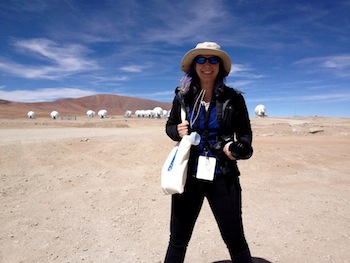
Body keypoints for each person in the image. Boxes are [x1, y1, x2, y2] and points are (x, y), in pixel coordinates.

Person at [164, 42, 253, 263]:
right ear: (193, 65)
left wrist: (235, 149)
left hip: (223, 175)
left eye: (213, 60)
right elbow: (169, 126)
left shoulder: (234, 99)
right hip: (189, 176)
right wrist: (177, 130)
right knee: (178, 239)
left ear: (220, 66)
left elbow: (245, 137)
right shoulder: (182, 97)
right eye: (201, 60)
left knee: (235, 238)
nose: (207, 65)